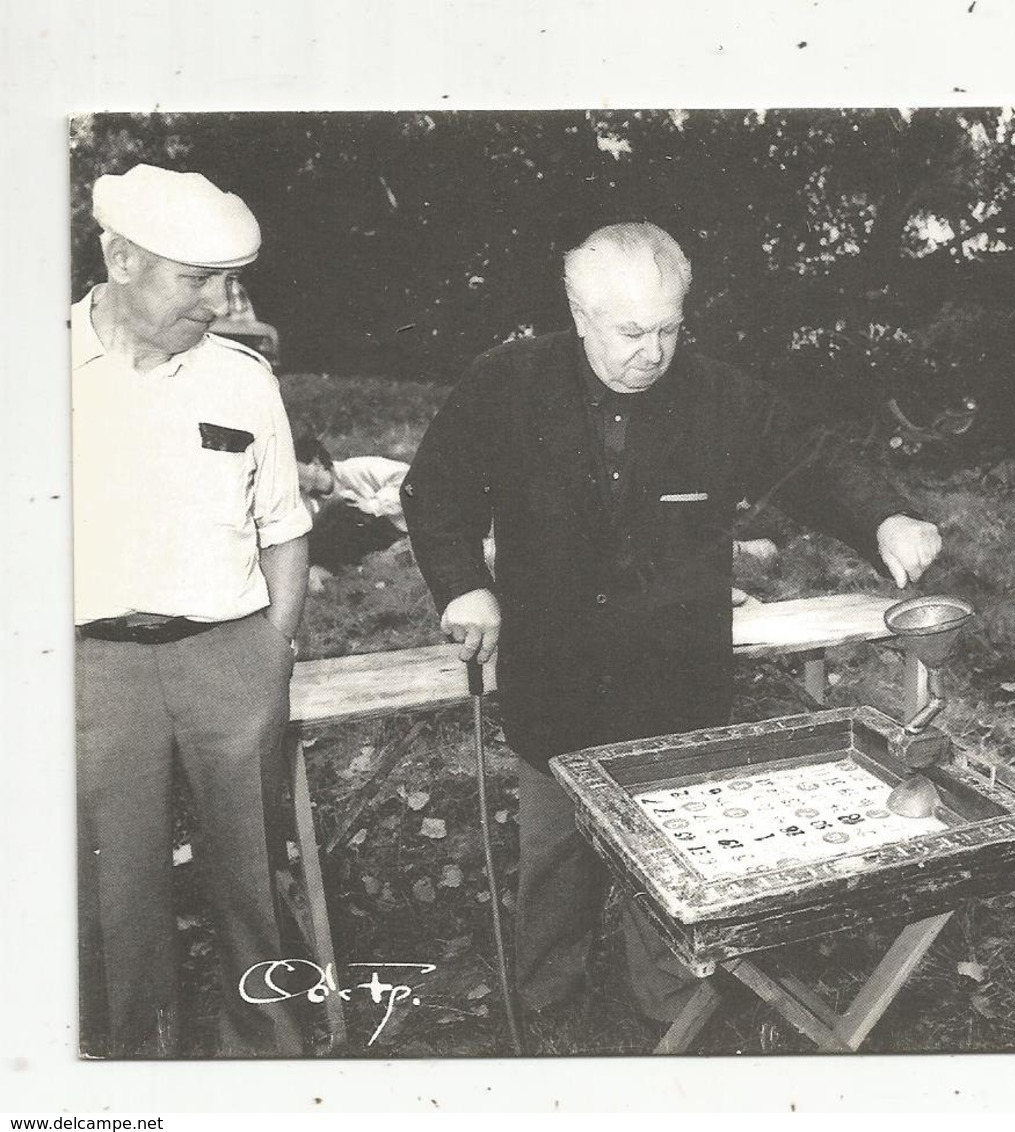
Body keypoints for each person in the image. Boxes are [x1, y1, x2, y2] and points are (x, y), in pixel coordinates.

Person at [402, 221, 943, 1026]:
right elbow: (435, 493)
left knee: (672, 846)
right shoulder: (506, 383)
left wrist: (887, 519)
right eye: (629, 332)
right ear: (579, 314)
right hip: (555, 673)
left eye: (668, 329)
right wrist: (463, 589)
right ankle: (551, 997)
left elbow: (815, 460)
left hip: (673, 679)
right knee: (556, 855)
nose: (651, 352)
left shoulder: (719, 395)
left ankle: (672, 1004)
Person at [73, 165, 312, 1056]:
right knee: (111, 888)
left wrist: (271, 650)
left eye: (227, 278)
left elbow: (285, 524)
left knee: (251, 873)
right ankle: (127, 1066)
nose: (221, 300)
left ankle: (269, 1056)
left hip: (228, 657)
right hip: (92, 666)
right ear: (121, 257)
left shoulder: (243, 381)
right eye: (198, 279)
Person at [294, 435, 412, 591]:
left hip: (394, 528)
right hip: (362, 543)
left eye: (292, 469)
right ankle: (315, 573)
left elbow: (409, 478)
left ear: (316, 462)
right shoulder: (305, 499)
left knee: (342, 503)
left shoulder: (355, 468)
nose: (290, 478)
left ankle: (303, 572)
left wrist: (373, 504)